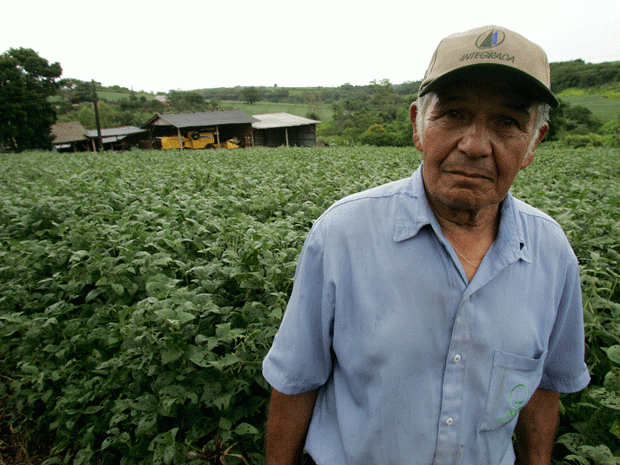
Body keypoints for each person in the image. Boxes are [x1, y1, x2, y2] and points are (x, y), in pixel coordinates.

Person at [262, 25, 590, 465]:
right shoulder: (341, 235)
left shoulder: (551, 254)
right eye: (453, 114)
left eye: (507, 123)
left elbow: (545, 390)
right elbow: (294, 382)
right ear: (418, 124)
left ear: (533, 143)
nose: (473, 146)